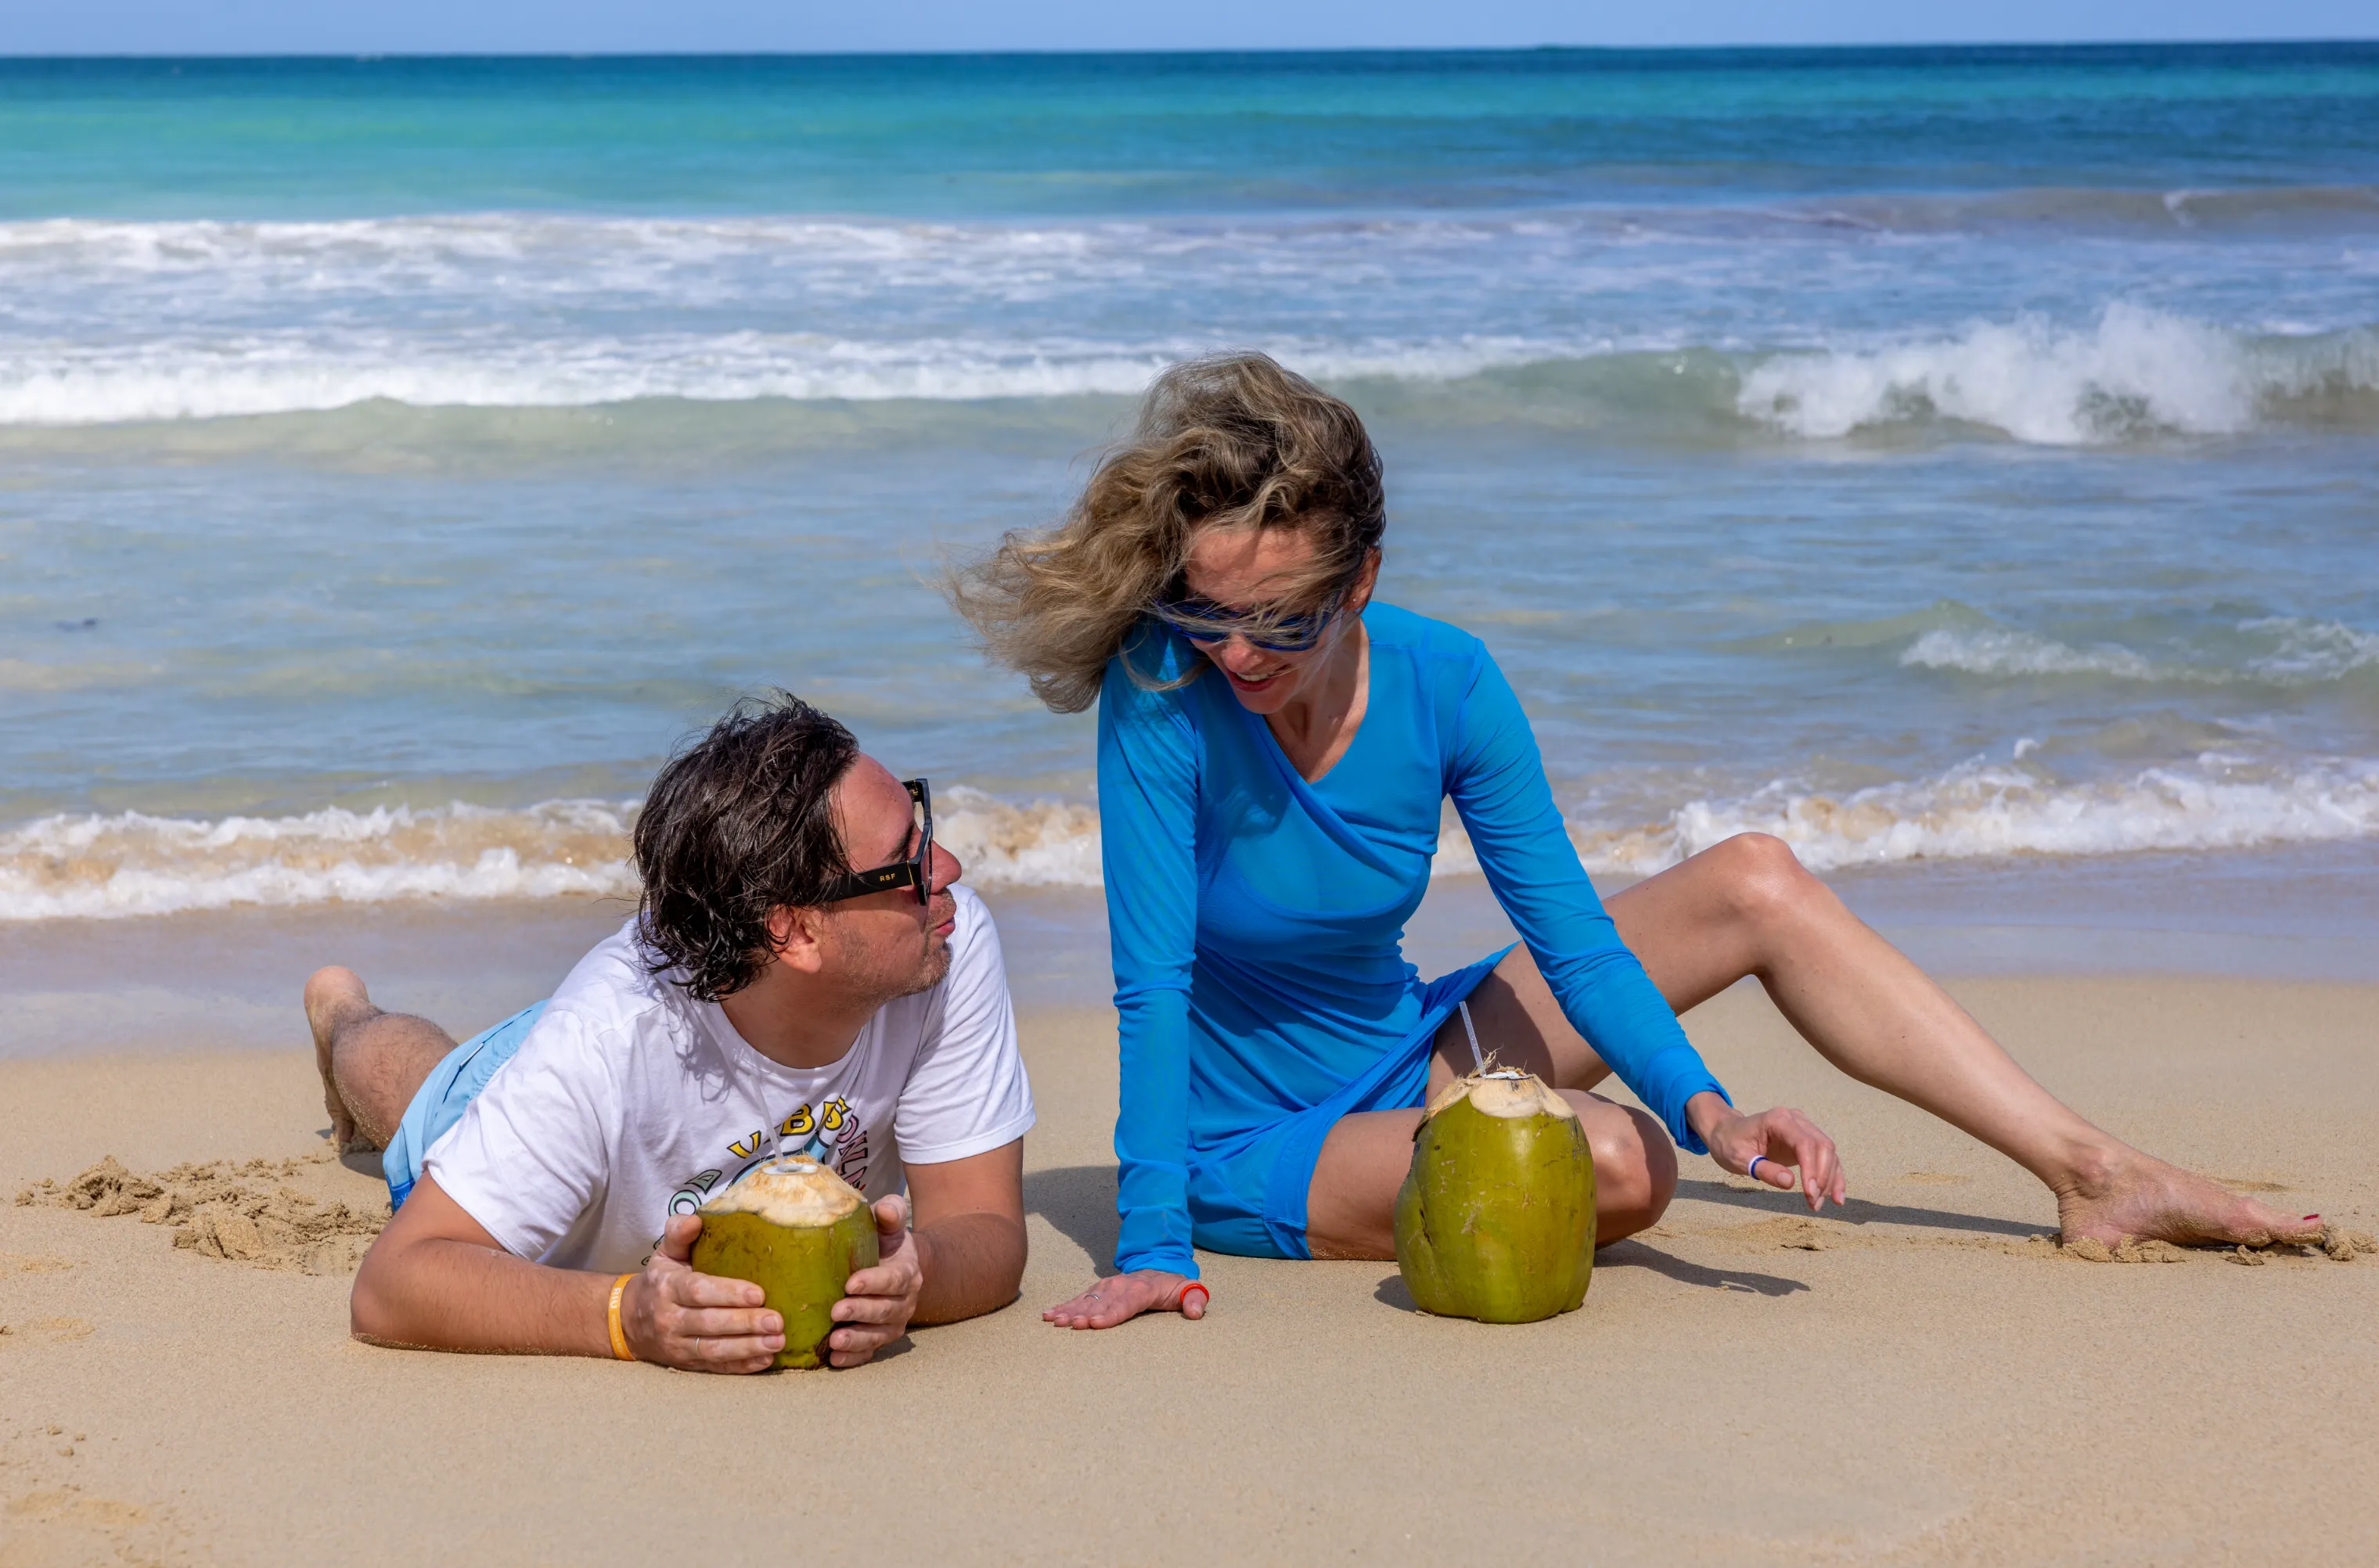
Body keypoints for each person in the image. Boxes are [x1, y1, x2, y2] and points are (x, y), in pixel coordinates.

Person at [952, 351, 2324, 1331]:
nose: (1239, 653)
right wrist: (1152, 1239)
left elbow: (1572, 936)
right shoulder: (1160, 688)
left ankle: (2096, 1172)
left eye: (1282, 618)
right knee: (1618, 1165)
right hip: (1250, 1135)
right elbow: (1153, 982)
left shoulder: (1447, 680)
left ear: (1361, 577)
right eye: (1209, 614)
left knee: (1755, 878)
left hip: (1411, 1047)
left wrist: (1710, 1107)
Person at [313, 694, 1035, 1370]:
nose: (947, 868)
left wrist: (916, 1275)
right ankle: (342, 1009)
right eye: (906, 859)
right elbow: (390, 1284)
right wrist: (627, 1317)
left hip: (678, 1014)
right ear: (794, 931)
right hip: (590, 1049)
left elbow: (985, 1226)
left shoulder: (942, 939)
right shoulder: (595, 1045)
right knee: (425, 1094)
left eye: (921, 823)